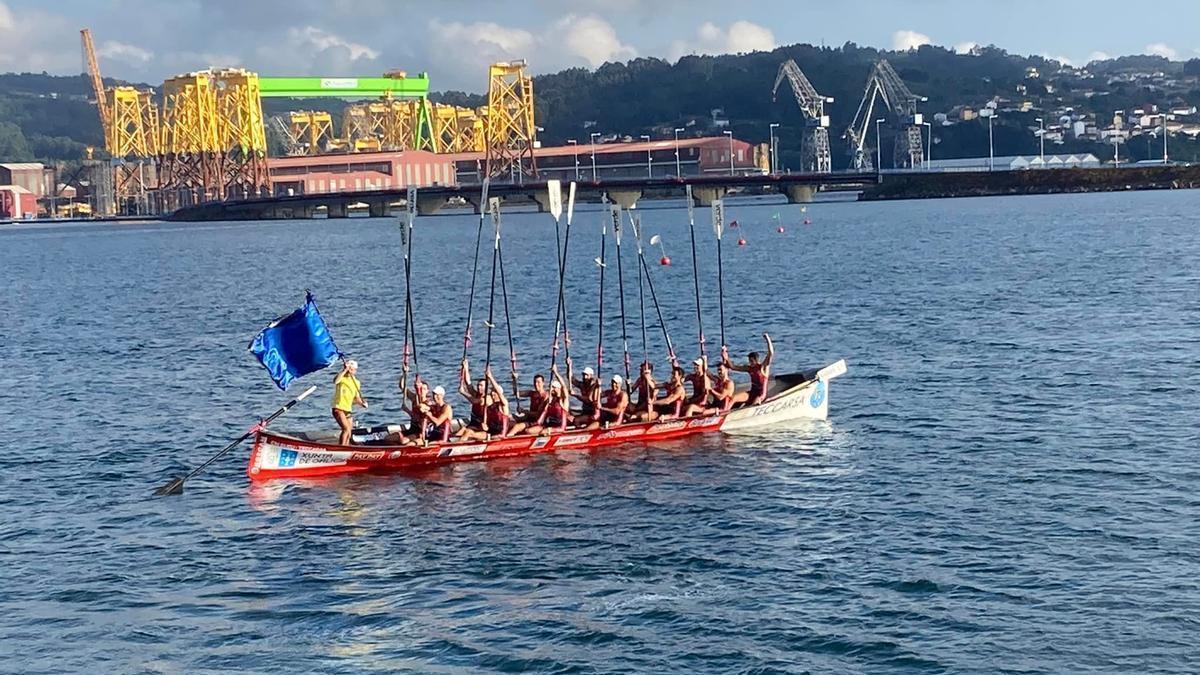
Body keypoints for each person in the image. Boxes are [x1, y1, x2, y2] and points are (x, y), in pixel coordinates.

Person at [725, 333, 774, 407]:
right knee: (733, 398)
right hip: (751, 393)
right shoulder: (749, 368)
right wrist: (726, 357)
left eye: (751, 361)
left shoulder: (763, 367)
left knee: (754, 404)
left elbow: (771, 353)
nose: (750, 362)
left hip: (760, 394)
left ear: (756, 360)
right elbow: (733, 367)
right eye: (749, 361)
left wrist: (767, 339)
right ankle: (725, 413)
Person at [525, 367, 570, 436]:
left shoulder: (563, 400)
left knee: (543, 431)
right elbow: (543, 413)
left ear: (559, 388)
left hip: (559, 427)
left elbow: (564, 386)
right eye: (551, 387)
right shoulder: (550, 400)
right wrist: (537, 423)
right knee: (529, 431)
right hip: (549, 425)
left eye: (554, 387)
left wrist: (556, 372)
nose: (552, 389)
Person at [332, 360, 367, 446]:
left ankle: (346, 446)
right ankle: (341, 448)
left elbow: (357, 398)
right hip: (338, 408)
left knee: (349, 430)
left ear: (355, 370)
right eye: (349, 369)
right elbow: (335, 381)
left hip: (348, 409)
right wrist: (344, 370)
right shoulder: (341, 378)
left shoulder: (356, 382)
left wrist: (362, 403)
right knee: (346, 429)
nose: (350, 371)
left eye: (352, 370)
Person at [567, 359, 600, 426]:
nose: (584, 377)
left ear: (591, 376)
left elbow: (589, 399)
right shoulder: (582, 385)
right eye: (583, 375)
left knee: (576, 420)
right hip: (584, 411)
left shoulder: (594, 386)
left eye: (587, 375)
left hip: (592, 413)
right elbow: (570, 378)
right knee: (568, 416)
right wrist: (569, 366)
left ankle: (580, 432)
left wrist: (575, 395)